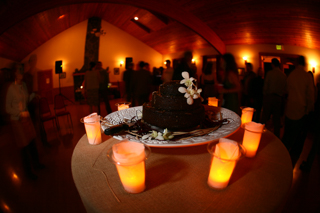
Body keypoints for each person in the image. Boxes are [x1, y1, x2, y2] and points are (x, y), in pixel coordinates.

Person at [6, 66, 44, 180]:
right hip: (17, 120)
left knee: (32, 141)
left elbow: (25, 100)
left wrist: (33, 95)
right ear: (15, 74)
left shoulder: (23, 86)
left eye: (21, 71)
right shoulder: (11, 89)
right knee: (24, 146)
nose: (21, 72)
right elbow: (7, 108)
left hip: (26, 118)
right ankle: (28, 173)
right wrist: (19, 112)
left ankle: (37, 165)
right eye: (19, 71)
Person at [282, 56, 315, 167]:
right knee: (297, 138)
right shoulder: (307, 77)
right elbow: (311, 96)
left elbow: (286, 90)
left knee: (287, 135)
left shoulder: (291, 75)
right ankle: (291, 162)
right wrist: (309, 110)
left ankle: (281, 158)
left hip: (290, 109)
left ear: (297, 63)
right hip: (300, 111)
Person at [260, 58, 287, 138]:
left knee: (264, 117)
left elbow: (265, 86)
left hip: (269, 97)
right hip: (278, 98)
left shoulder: (270, 73)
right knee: (276, 119)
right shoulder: (283, 75)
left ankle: (260, 134)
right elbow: (285, 89)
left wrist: (264, 95)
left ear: (272, 64)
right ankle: (276, 137)